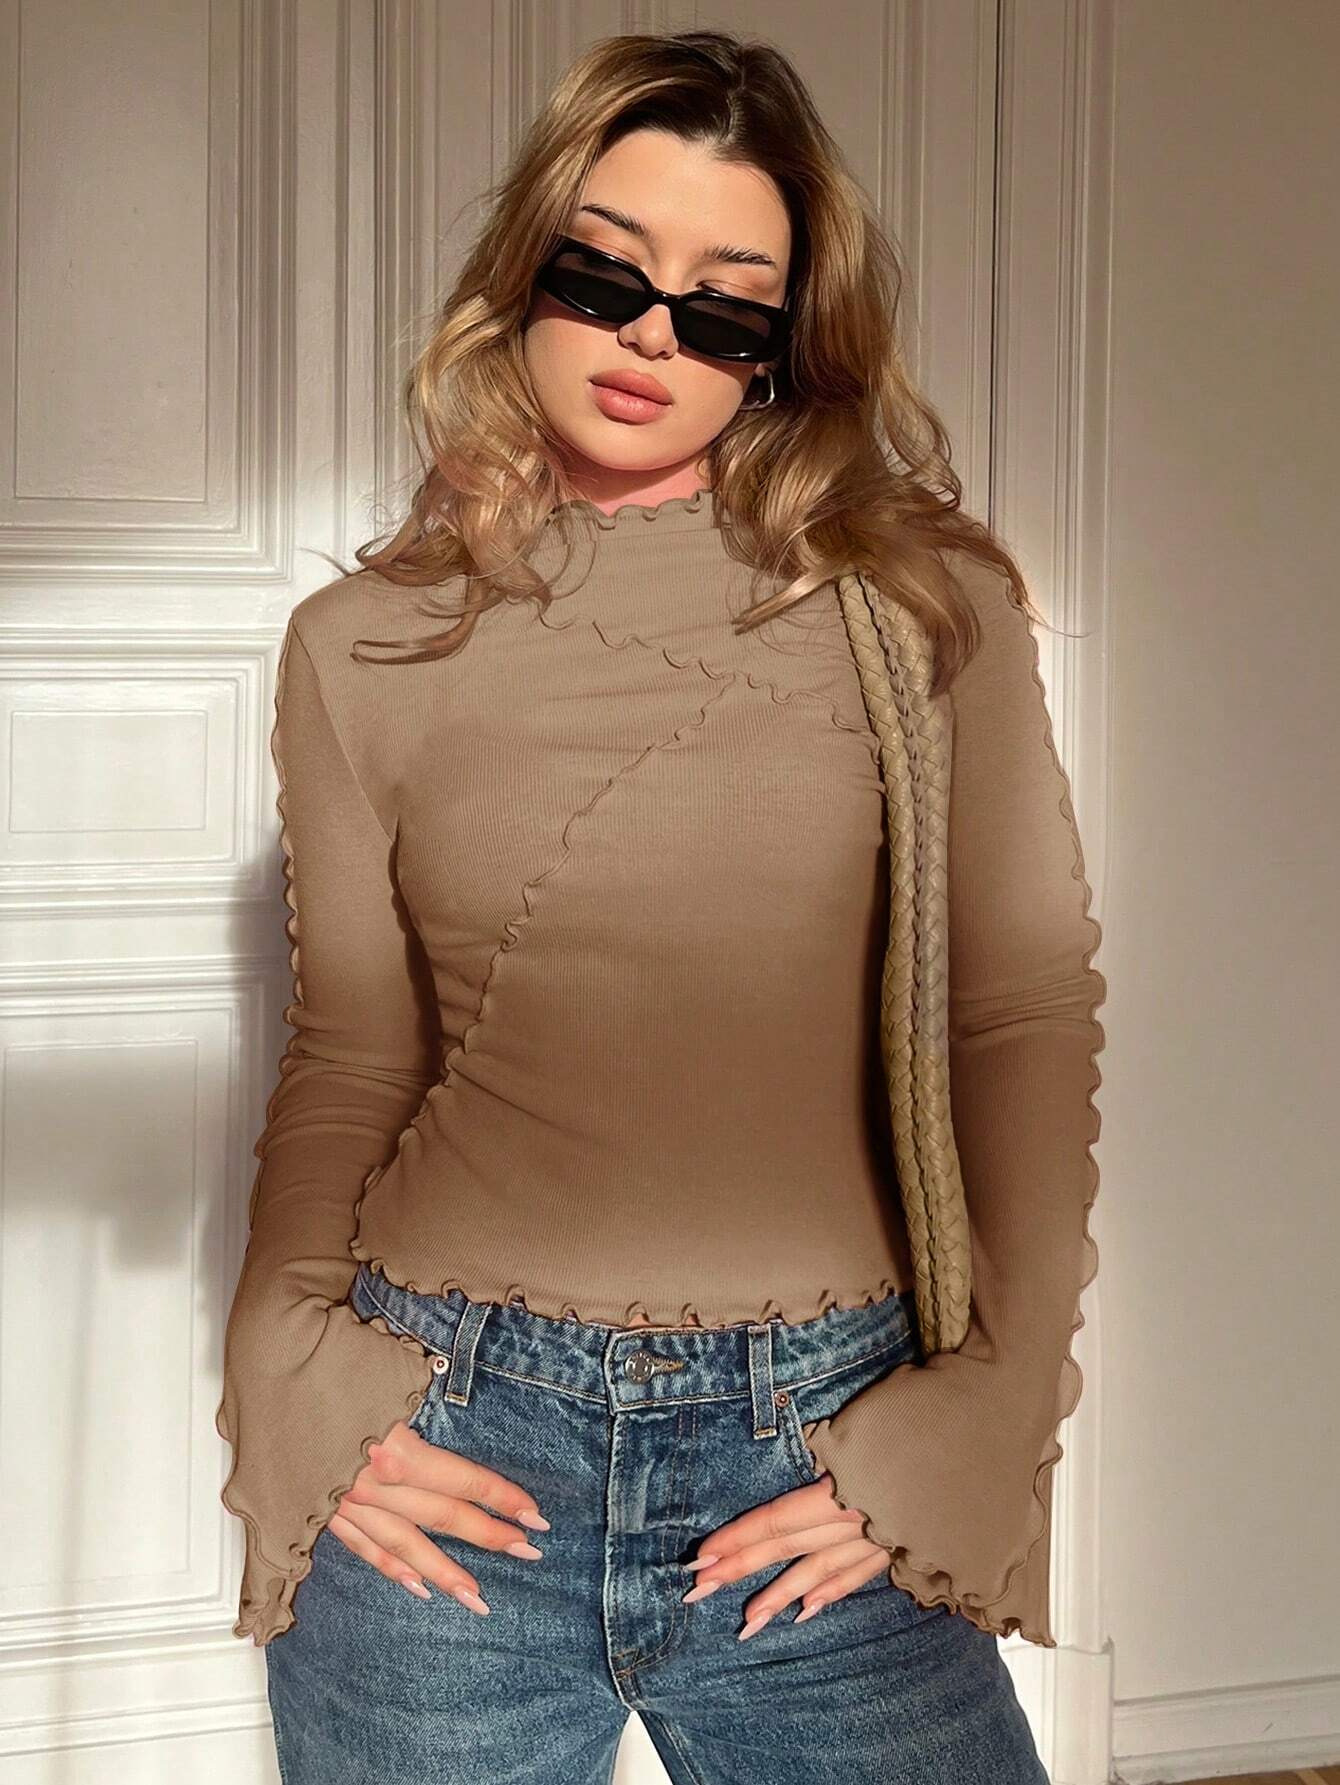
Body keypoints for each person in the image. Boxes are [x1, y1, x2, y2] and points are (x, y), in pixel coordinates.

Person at [215, 28, 1105, 1784]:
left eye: (725, 304)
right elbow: (355, 1056)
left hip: (829, 1443)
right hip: (445, 1443)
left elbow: (1016, 1010)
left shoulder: (924, 606)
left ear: (787, 345)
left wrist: (994, 1404)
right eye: (606, 272)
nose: (650, 335)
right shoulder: (358, 646)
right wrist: (288, 1364)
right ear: (527, 268)